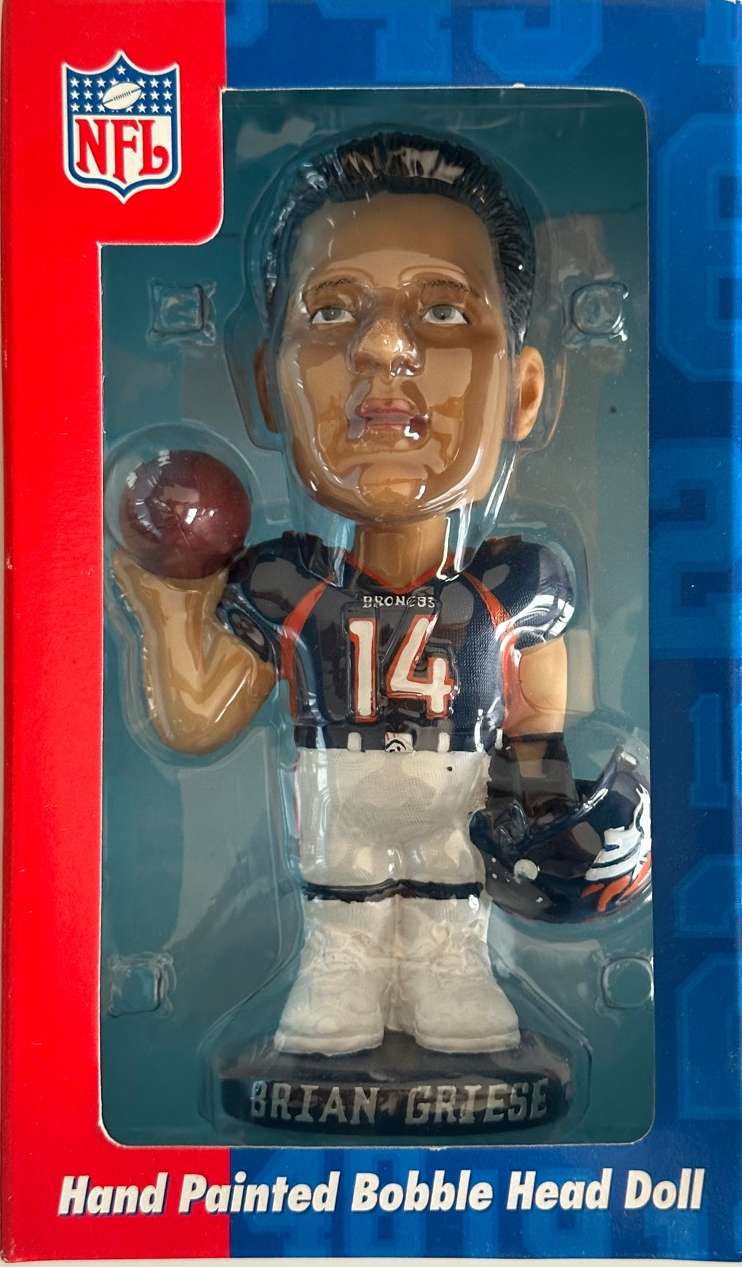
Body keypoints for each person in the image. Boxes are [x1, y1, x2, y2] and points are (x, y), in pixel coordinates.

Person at [114, 131, 585, 1059]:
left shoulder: (509, 587)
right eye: (331, 310)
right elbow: (197, 721)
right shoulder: (287, 584)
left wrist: (545, 819)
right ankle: (338, 979)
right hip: (338, 808)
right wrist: (173, 598)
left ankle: (452, 975)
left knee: (450, 930)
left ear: (523, 393)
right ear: (269, 385)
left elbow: (536, 722)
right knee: (341, 934)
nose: (382, 346)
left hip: (454, 811)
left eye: (442, 311)